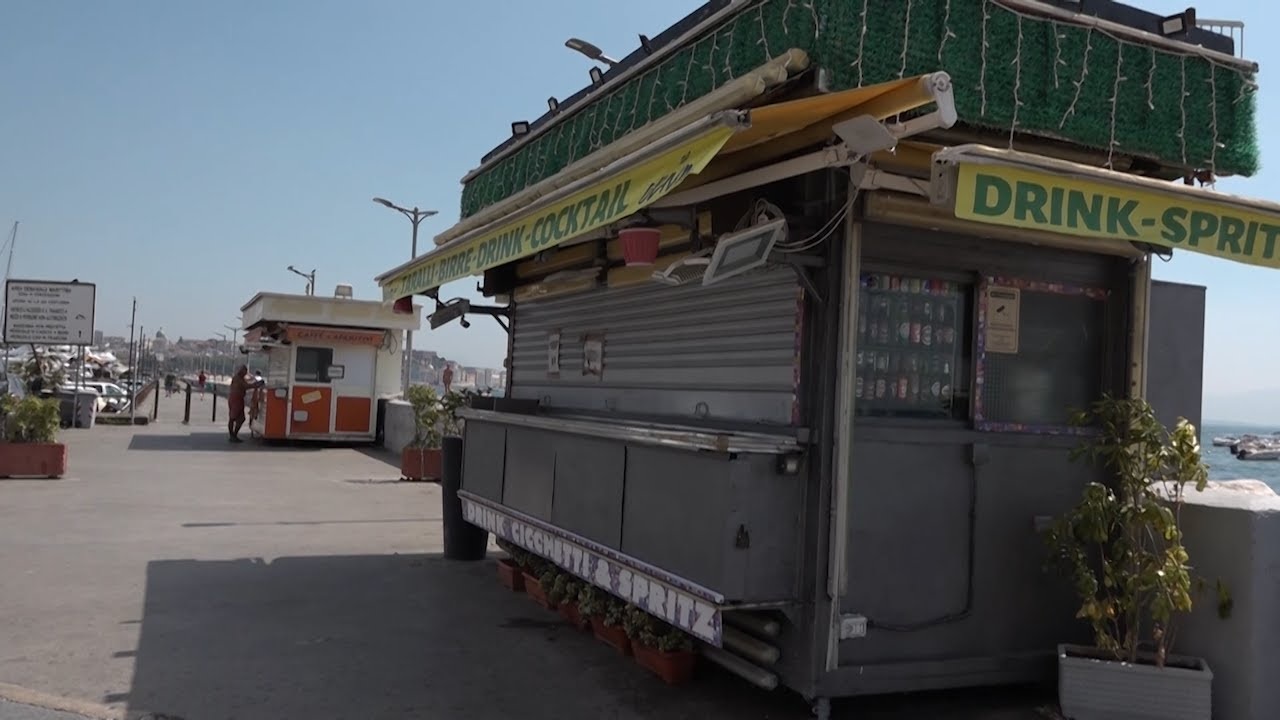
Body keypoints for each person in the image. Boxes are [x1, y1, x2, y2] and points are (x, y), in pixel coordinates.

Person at [227, 364, 264, 443]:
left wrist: (255, 384)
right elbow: (246, 386)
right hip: (236, 398)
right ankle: (232, 436)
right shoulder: (238, 379)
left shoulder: (239, 378)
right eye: (245, 371)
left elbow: (246, 384)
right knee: (233, 418)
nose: (245, 373)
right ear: (241, 371)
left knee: (241, 418)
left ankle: (234, 435)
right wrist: (257, 385)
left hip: (236, 398)